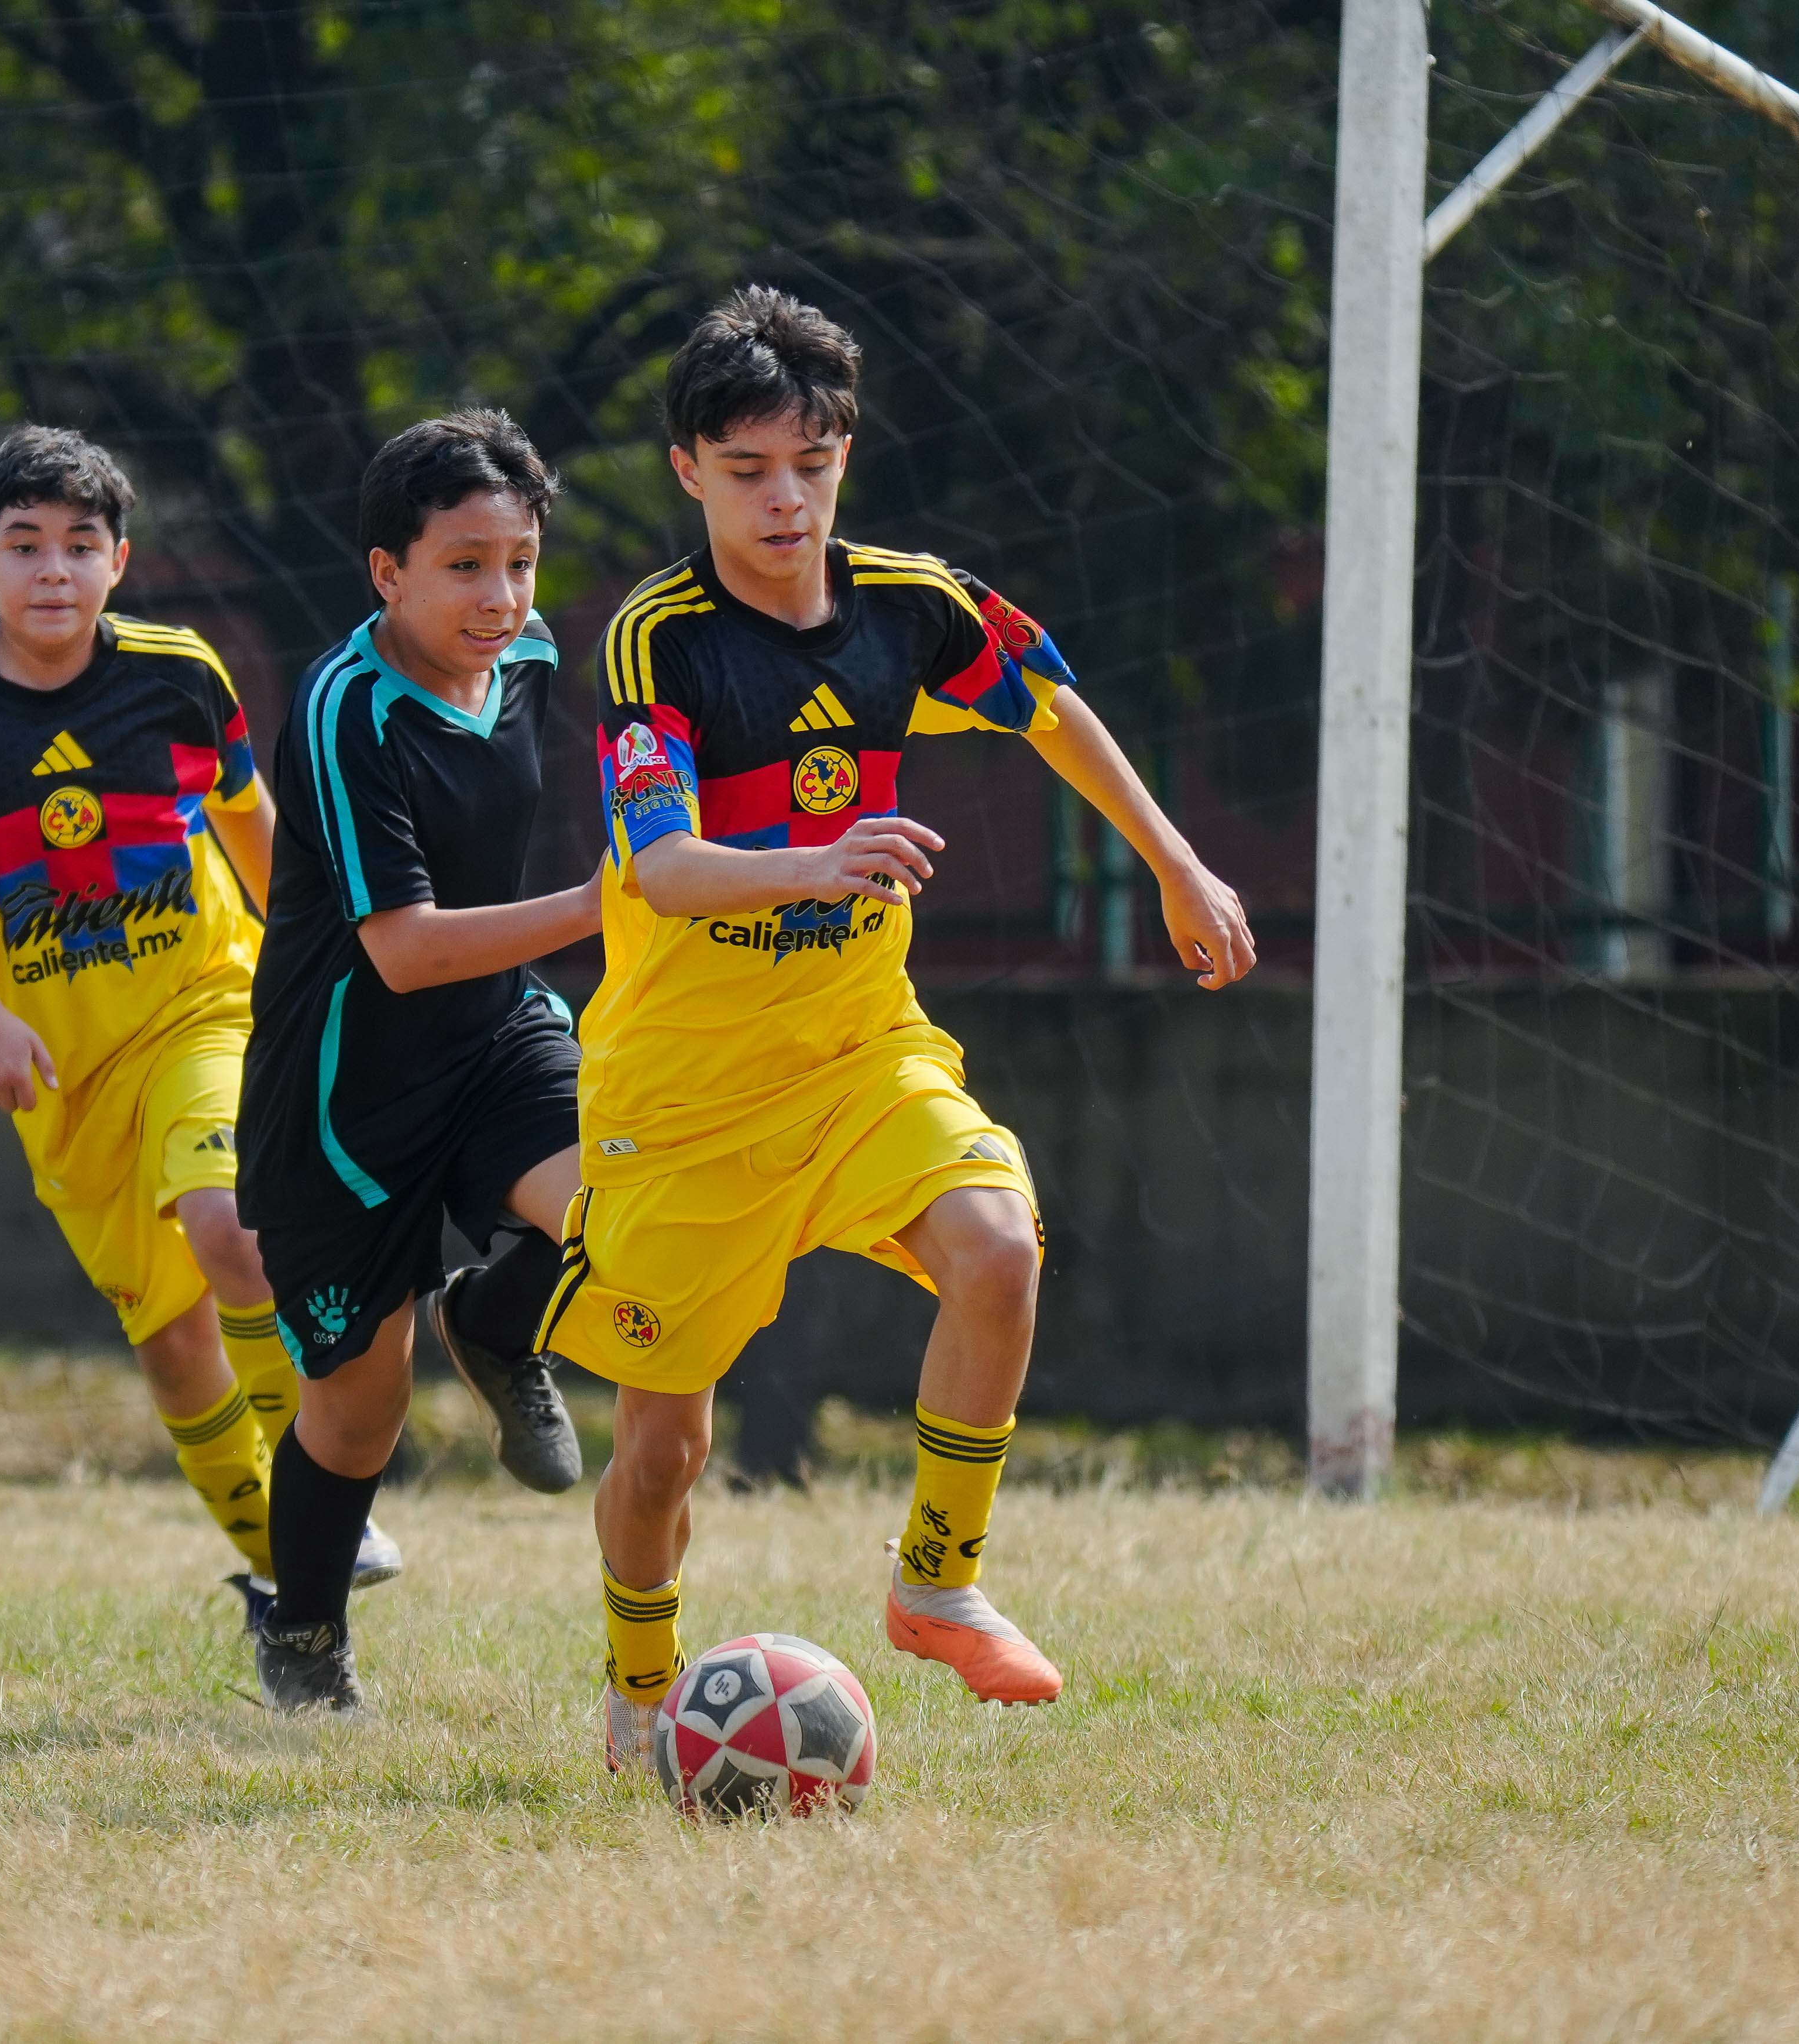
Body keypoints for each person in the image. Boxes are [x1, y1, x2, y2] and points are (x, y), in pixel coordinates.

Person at [538, 288, 1259, 1765]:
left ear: (845, 453)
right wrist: (818, 860)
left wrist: (1177, 863)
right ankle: (634, 1690)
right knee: (665, 1447)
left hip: (861, 1048)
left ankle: (935, 1580)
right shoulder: (654, 641)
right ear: (688, 470)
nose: (783, 496)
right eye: (745, 469)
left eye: (811, 460)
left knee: (997, 1247)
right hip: (679, 1094)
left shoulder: (913, 603)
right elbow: (664, 865)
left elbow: (1050, 702)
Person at [0, 425, 404, 1626]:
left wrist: (326, 973)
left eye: (80, 545)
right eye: (25, 545)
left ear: (119, 562)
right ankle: (290, 1579)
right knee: (173, 1344)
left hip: (208, 1006)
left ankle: (325, 1490)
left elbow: (259, 830)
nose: (53, 569)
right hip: (60, 1075)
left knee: (231, 1227)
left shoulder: (179, 672)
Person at [239, 409, 599, 1713]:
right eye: (463, 564)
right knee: (358, 1412)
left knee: (628, 1200)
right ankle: (304, 1641)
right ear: (386, 572)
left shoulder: (532, 654)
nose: (501, 595)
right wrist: (597, 904)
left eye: (520, 559)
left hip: (499, 1035)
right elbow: (397, 950)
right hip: (343, 1099)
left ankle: (495, 1320)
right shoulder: (347, 712)